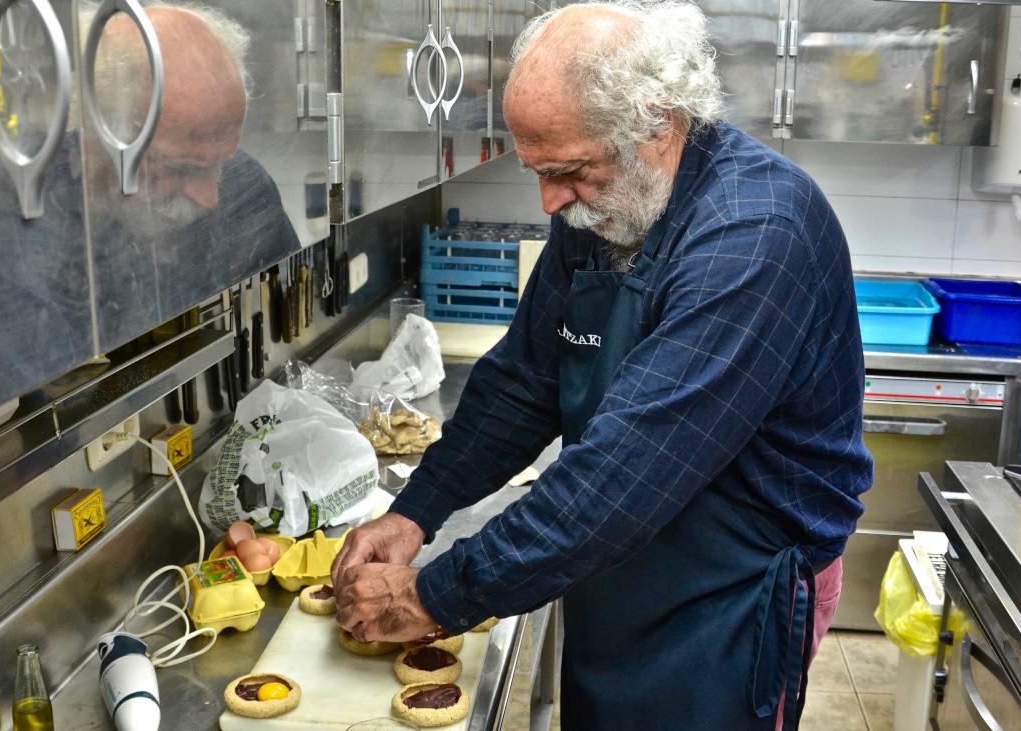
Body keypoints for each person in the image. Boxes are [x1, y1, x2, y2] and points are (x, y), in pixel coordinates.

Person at [330, 2, 873, 729]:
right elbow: (525, 382)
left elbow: (625, 473)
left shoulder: (755, 234)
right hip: (623, 562)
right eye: (539, 171)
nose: (550, 201)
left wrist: (433, 596)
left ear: (655, 124)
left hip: (735, 594)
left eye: (568, 171)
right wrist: (416, 511)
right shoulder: (606, 208)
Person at [0, 3, 298, 401]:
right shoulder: (16, 226)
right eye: (181, 169)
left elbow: (291, 329)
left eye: (219, 163)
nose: (211, 198)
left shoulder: (245, 187)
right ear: (98, 137)